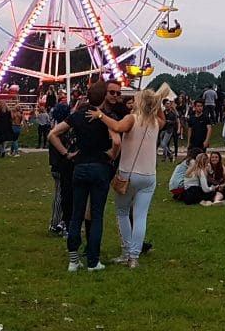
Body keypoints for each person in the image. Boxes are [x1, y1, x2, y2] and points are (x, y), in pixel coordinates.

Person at [90, 88, 165, 268]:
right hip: (149, 175)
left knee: (122, 212)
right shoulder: (156, 122)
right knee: (140, 216)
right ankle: (134, 257)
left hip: (128, 174)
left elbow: (117, 127)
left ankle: (126, 252)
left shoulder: (132, 119)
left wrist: (100, 115)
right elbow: (162, 117)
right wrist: (158, 102)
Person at [48, 80, 114, 272]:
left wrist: (66, 153)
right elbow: (117, 140)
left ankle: (73, 260)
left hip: (80, 166)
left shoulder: (77, 116)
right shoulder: (105, 118)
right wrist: (112, 154)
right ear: (103, 98)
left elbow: (52, 134)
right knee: (97, 215)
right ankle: (93, 261)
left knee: (76, 214)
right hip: (99, 166)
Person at [47, 102, 74, 237]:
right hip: (62, 166)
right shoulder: (64, 132)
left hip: (55, 165)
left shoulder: (54, 129)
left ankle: (58, 220)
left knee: (60, 194)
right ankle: (57, 221)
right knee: (62, 195)